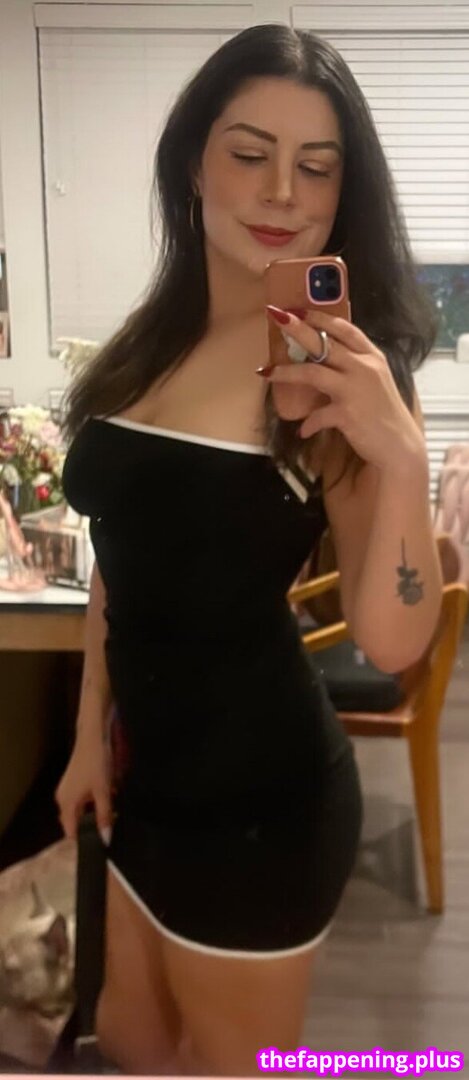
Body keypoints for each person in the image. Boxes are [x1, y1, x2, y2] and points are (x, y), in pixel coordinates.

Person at [56, 23, 444, 1076]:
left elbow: (391, 639)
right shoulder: (151, 338)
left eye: (315, 166)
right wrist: (87, 735)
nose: (281, 191)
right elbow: (118, 553)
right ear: (194, 161)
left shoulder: (341, 372)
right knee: (133, 1044)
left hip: (262, 807)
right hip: (141, 787)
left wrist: (402, 461)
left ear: (341, 189)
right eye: (248, 152)